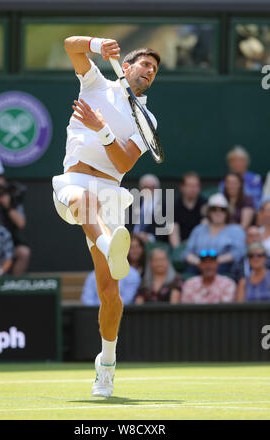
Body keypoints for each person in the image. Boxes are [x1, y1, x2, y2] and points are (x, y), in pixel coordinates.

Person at [52, 35, 161, 397]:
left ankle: (107, 363)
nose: (149, 71)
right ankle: (107, 242)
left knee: (110, 292)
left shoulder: (148, 119)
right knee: (82, 199)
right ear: (126, 67)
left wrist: (101, 128)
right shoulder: (95, 82)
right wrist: (97, 44)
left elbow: (124, 162)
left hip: (111, 194)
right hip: (74, 181)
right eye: (144, 64)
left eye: (155, 70)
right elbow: (70, 45)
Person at [184, 193, 246, 274]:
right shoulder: (198, 229)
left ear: (227, 213)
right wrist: (199, 262)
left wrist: (215, 262)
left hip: (224, 269)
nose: (218, 213)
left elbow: (240, 252)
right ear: (209, 212)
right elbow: (187, 252)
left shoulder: (236, 230)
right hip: (197, 267)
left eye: (222, 209)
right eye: (214, 209)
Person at [0, 177, 31, 276]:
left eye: (3, 193)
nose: (1, 197)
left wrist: (8, 207)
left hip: (11, 242)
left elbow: (21, 223)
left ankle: (14, 284)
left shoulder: (14, 204)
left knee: (24, 252)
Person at [170, 172, 207, 248]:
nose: (193, 189)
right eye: (190, 186)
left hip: (200, 245)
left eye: (196, 186)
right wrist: (179, 249)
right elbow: (173, 232)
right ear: (182, 187)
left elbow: (205, 230)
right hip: (180, 245)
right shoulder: (174, 206)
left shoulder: (205, 204)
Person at [218, 146, 262, 211]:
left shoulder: (255, 179)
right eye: (233, 161)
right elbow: (221, 199)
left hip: (251, 210)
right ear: (229, 163)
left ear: (246, 162)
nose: (237, 163)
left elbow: (257, 199)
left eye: (240, 160)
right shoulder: (224, 181)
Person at [130, 174, 168, 243]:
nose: (149, 190)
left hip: (154, 244)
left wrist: (149, 237)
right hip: (132, 240)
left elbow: (164, 230)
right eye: (146, 187)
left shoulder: (165, 206)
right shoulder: (133, 204)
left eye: (152, 187)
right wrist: (134, 235)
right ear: (141, 189)